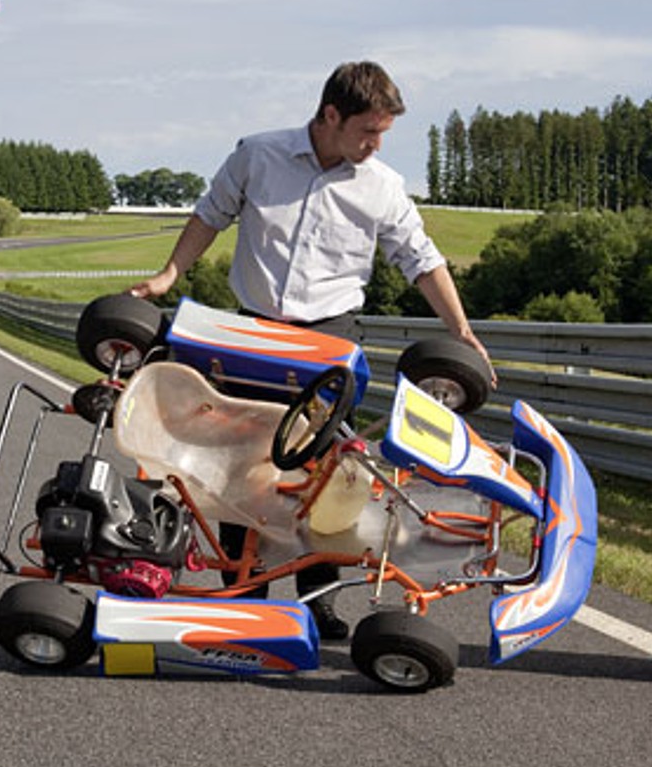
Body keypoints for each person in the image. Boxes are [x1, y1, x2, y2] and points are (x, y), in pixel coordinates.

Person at [127, 60, 493, 639]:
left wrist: (463, 331)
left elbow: (422, 261)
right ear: (330, 115)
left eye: (382, 135)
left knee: (326, 473)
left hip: (328, 339)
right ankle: (243, 594)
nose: (375, 145)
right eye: (367, 131)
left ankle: (317, 598)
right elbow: (209, 216)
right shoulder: (257, 154)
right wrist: (170, 274)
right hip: (252, 336)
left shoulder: (383, 187)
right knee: (240, 464)